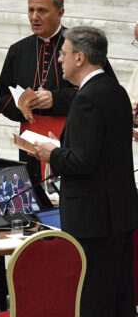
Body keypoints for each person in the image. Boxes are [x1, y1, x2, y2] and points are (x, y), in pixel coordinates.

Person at [34, 26, 138, 317]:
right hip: (117, 213)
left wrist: (50, 153)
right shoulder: (115, 90)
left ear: (80, 58)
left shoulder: (88, 97)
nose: (59, 60)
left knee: (94, 298)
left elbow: (82, 162)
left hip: (93, 218)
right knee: (119, 296)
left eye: (64, 54)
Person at [0, 0, 115, 184]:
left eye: (42, 10)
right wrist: (22, 105)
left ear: (60, 12)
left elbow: (102, 92)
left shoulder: (82, 47)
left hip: (71, 142)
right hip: (29, 143)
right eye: (31, 10)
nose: (34, 17)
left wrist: (55, 99)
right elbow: (2, 98)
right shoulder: (18, 50)